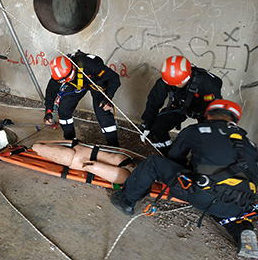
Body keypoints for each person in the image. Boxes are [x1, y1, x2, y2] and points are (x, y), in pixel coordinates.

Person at [111, 99, 258, 258]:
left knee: (154, 163)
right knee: (222, 198)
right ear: (235, 119)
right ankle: (242, 229)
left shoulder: (198, 130)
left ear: (209, 114)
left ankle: (126, 200)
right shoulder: (248, 143)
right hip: (242, 204)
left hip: (204, 194)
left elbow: (175, 157)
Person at [141, 55, 222, 155]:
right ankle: (170, 158)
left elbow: (214, 108)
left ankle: (199, 163)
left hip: (204, 110)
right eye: (172, 83)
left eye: (179, 83)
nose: (176, 85)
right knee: (156, 129)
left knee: (206, 140)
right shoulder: (167, 80)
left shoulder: (207, 83)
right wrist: (146, 124)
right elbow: (153, 102)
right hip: (182, 106)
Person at [44, 50, 121, 146]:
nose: (66, 81)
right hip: (78, 84)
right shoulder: (59, 74)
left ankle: (114, 146)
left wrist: (108, 98)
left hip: (96, 82)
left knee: (102, 110)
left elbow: (114, 78)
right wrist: (48, 111)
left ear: (72, 68)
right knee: (64, 109)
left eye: (68, 79)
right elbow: (51, 91)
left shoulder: (91, 65)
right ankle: (70, 141)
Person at [32, 140, 137, 184]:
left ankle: (36, 146)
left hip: (73, 157)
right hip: (80, 147)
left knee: (36, 147)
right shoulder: (130, 158)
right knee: (40, 143)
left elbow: (90, 165)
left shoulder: (123, 176)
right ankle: (39, 144)